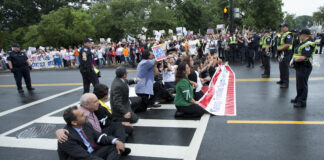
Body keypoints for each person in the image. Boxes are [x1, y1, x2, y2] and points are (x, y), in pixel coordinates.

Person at [57, 106, 130, 160]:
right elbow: (84, 156)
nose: (85, 115)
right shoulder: (66, 138)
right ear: (74, 122)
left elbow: (98, 136)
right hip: (82, 157)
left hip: (92, 152)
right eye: (82, 115)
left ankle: (118, 151)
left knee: (114, 146)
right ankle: (118, 153)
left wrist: (116, 141)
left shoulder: (86, 124)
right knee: (116, 152)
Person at [290, 29, 316, 108]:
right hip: (300, 66)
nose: (299, 36)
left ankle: (302, 101)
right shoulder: (303, 43)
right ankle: (298, 97)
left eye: (300, 35)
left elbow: (304, 56)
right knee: (299, 83)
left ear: (304, 35)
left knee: (303, 84)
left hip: (304, 66)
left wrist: (294, 60)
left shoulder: (308, 44)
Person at [277, 22, 293, 88]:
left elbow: (288, 44)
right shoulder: (283, 34)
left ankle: (286, 83)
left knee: (285, 68)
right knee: (281, 67)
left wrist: (280, 49)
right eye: (281, 27)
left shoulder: (288, 35)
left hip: (286, 53)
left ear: (287, 27)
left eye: (283, 27)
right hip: (281, 53)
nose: (281, 28)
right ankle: (282, 80)